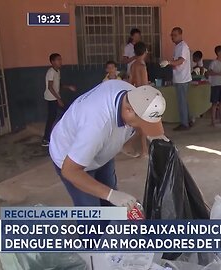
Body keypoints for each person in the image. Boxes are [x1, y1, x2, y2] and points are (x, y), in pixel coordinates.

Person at [49, 80, 167, 208]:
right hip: (71, 159)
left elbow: (140, 137)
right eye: (142, 122)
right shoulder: (96, 126)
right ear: (128, 110)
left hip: (100, 153)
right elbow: (70, 171)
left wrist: (156, 140)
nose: (143, 127)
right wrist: (111, 194)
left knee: (109, 206)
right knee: (92, 214)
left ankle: (106, 222)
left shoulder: (135, 95)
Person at [42, 53, 76, 147]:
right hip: (51, 98)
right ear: (52, 62)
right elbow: (50, 87)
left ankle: (60, 135)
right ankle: (46, 139)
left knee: (62, 114)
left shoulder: (57, 71)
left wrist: (68, 87)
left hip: (55, 98)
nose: (60, 62)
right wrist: (58, 99)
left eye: (60, 59)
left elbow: (59, 85)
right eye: (58, 60)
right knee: (52, 117)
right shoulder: (51, 72)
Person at [165, 27, 193, 131]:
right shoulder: (178, 47)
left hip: (182, 79)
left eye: (175, 35)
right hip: (179, 77)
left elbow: (181, 61)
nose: (173, 37)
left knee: (182, 102)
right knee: (183, 101)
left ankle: (184, 123)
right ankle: (188, 120)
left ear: (181, 35)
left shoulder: (183, 46)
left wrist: (169, 62)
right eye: (171, 35)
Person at [128, 42, 150, 157]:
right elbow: (145, 83)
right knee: (143, 125)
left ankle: (139, 148)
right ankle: (143, 150)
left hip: (135, 94)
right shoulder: (142, 66)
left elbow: (131, 81)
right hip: (143, 95)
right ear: (145, 51)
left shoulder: (133, 65)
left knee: (139, 125)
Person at [207, 45, 221, 126]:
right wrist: (217, 73)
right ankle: (213, 120)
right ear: (218, 53)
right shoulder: (214, 63)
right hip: (215, 85)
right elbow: (209, 72)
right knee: (214, 103)